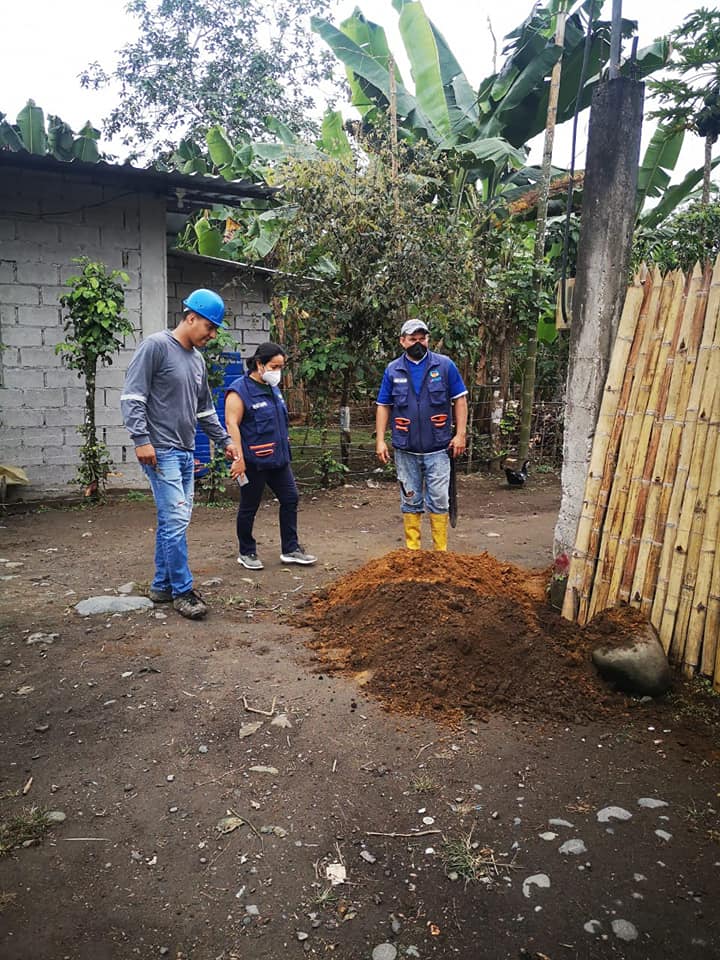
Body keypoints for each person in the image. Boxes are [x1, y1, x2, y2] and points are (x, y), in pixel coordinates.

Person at [120, 289, 239, 620]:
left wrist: (224, 440)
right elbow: (132, 397)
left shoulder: (197, 360)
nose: (212, 335)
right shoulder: (156, 346)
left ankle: (161, 586)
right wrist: (141, 439)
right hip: (160, 450)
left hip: (185, 452)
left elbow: (205, 410)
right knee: (176, 521)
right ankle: (183, 591)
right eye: (209, 327)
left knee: (173, 521)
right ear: (190, 317)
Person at [376, 318, 468, 551]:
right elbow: (383, 405)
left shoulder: (444, 366)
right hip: (405, 448)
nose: (418, 343)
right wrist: (380, 440)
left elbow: (460, 399)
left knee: (439, 499)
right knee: (410, 499)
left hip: (439, 448)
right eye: (412, 339)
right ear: (402, 341)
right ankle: (413, 553)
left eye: (422, 338)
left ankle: (440, 553)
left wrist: (460, 434)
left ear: (428, 339)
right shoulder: (392, 370)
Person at [225, 342, 317, 570]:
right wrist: (239, 459)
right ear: (260, 364)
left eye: (281, 367)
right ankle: (246, 552)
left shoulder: (272, 388)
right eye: (274, 367)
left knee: (290, 498)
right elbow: (232, 424)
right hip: (253, 462)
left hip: (278, 459)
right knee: (249, 506)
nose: (278, 372)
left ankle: (291, 549)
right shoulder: (239, 391)